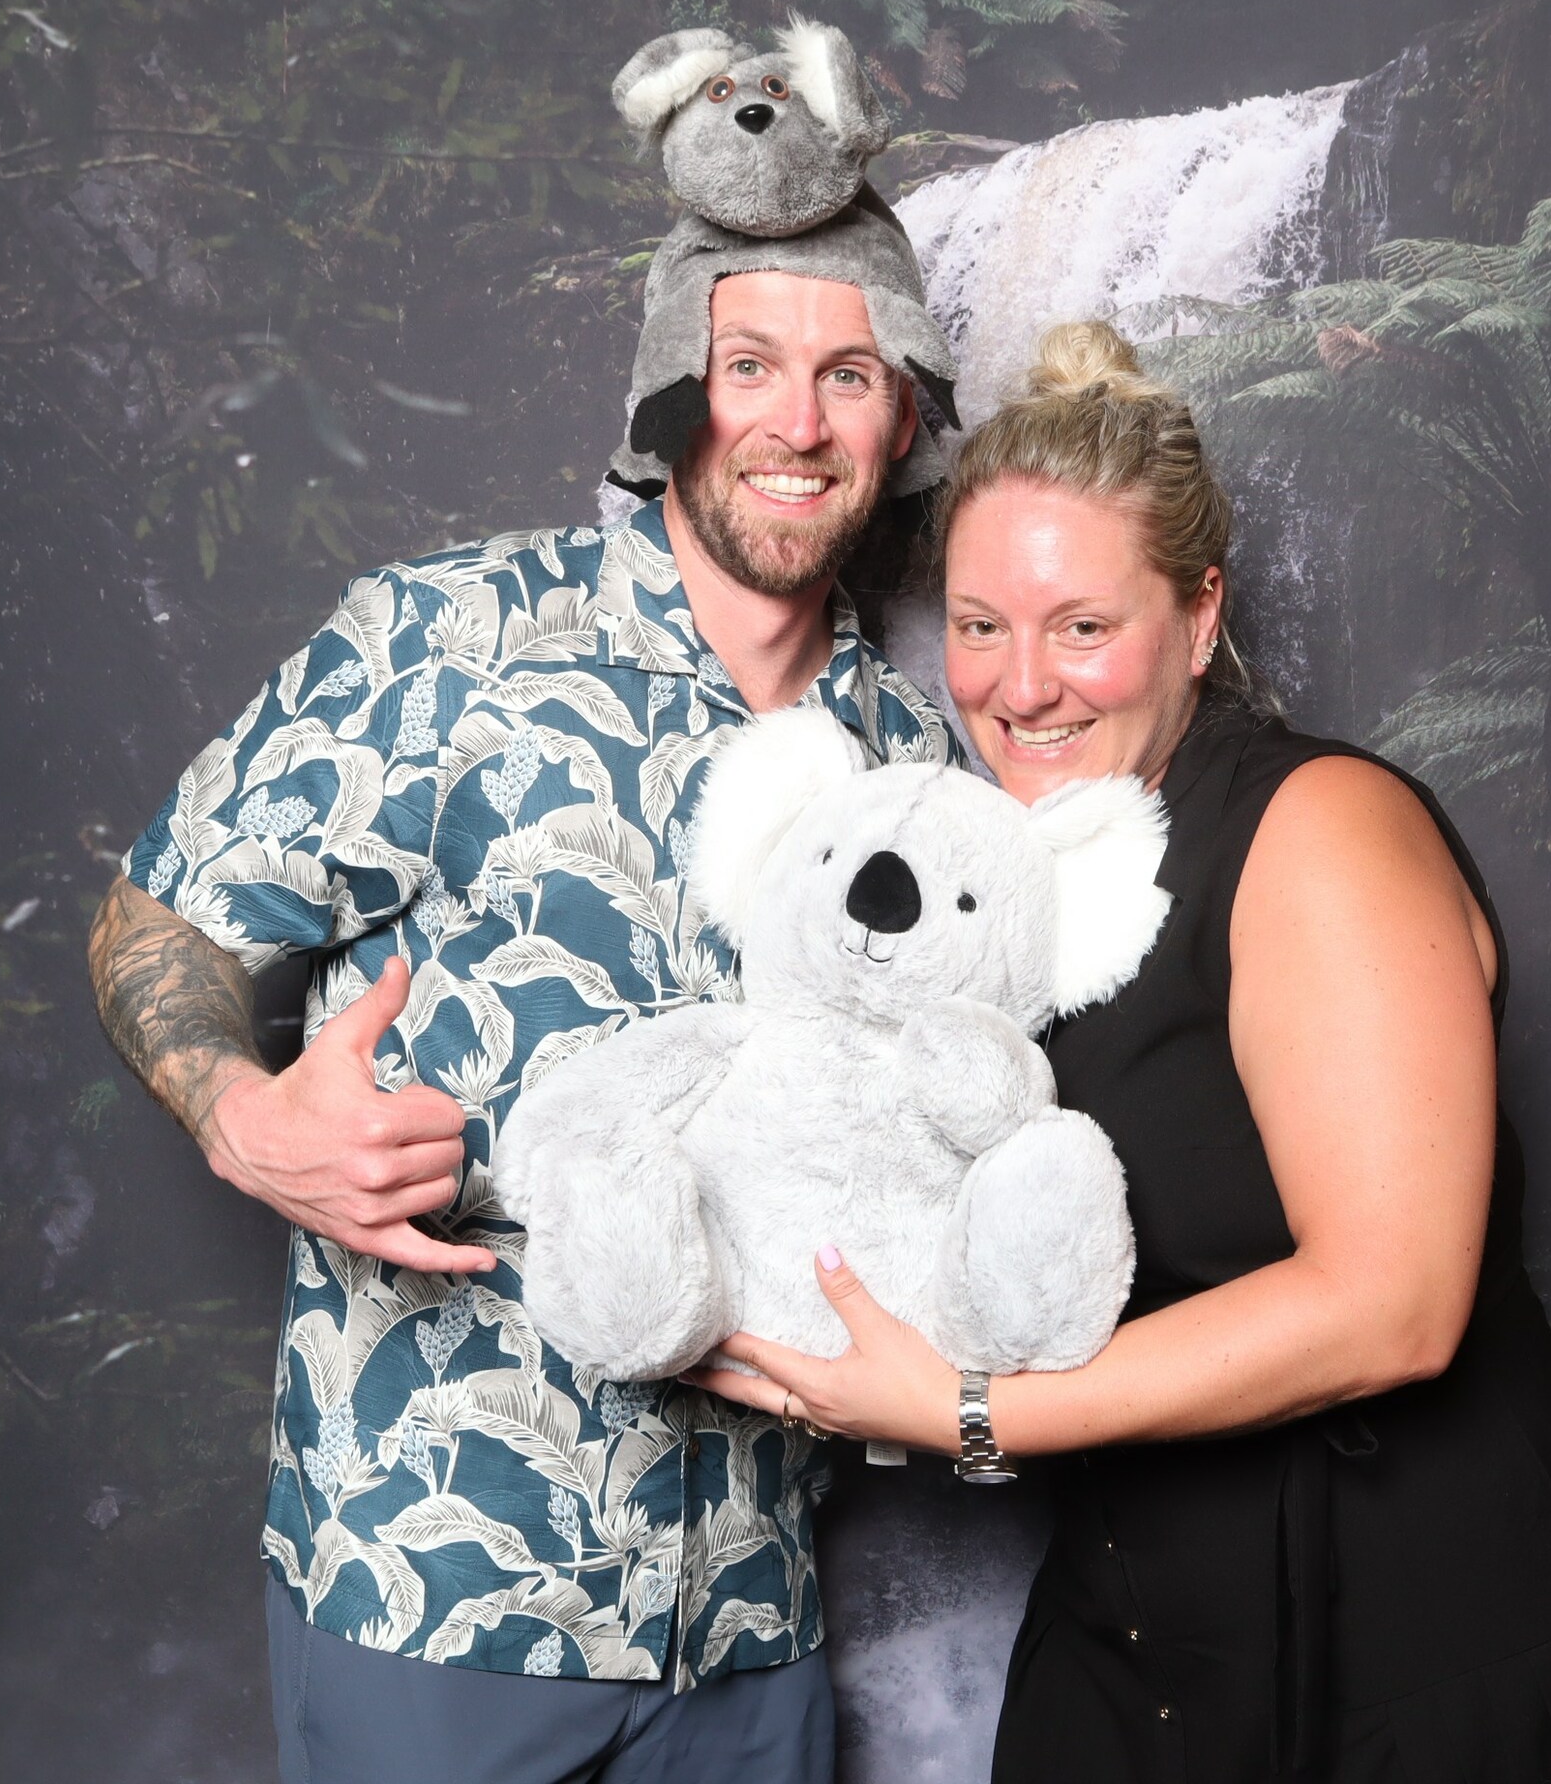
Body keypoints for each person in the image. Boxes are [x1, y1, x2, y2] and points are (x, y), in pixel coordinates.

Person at [694, 322, 1551, 1782]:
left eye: (1081, 628)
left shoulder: (1323, 833)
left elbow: (1397, 1305)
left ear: (1202, 614)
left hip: (1434, 1650)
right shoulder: (1005, 884)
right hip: (1145, 1638)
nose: (1019, 687)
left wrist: (972, 1417)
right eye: (979, 626)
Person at [85, 255, 957, 1783]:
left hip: (752, 1614)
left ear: (901, 419)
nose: (800, 423)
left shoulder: (914, 760)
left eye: (850, 375)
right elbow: (156, 920)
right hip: (440, 1598)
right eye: (751, 365)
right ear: (675, 392)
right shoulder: (449, 638)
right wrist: (243, 1115)